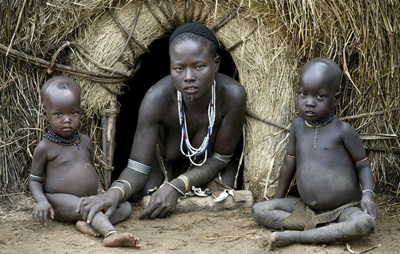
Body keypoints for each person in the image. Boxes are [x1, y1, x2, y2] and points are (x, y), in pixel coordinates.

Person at [76, 23, 247, 222]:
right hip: (165, 168)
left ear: (216, 63)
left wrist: (178, 186)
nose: (189, 77)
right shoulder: (157, 98)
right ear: (170, 67)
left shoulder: (232, 95)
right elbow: (137, 167)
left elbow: (221, 158)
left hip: (210, 169)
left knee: (227, 185)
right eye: (179, 68)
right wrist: (112, 194)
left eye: (199, 66)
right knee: (147, 193)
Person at [252, 57, 378, 249]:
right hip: (306, 207)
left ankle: (295, 236)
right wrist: (278, 198)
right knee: (259, 209)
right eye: (303, 94)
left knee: (364, 224)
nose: (309, 103)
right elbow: (289, 163)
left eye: (319, 96)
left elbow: (363, 165)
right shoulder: (298, 125)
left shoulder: (342, 131)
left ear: (335, 98)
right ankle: (325, 230)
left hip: (344, 209)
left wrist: (368, 195)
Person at [29, 76, 141, 248]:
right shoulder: (45, 147)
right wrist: (42, 201)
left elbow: (91, 169)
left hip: (89, 198)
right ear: (46, 114)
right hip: (60, 201)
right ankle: (111, 234)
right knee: (86, 207)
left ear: (80, 111)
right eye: (58, 114)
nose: (67, 119)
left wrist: (100, 191)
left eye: (73, 113)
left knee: (124, 206)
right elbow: (35, 180)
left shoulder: (85, 141)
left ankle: (89, 223)